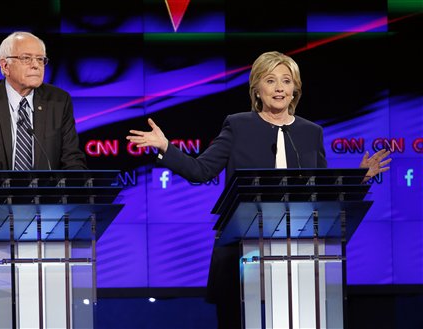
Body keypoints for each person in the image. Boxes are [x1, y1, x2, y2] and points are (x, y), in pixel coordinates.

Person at [127, 51, 391, 328]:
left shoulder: (311, 132)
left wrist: (358, 179)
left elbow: (320, 193)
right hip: (241, 249)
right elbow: (200, 171)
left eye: (287, 81)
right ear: (257, 89)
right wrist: (166, 148)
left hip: (299, 251)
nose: (279, 88)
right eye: (271, 80)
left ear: (295, 89)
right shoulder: (238, 125)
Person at [0, 31, 87, 328]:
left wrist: (75, 200)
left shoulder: (59, 100)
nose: (36, 65)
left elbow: (72, 158)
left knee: (42, 317)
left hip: (44, 226)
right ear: (4, 65)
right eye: (27, 58)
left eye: (41, 59)